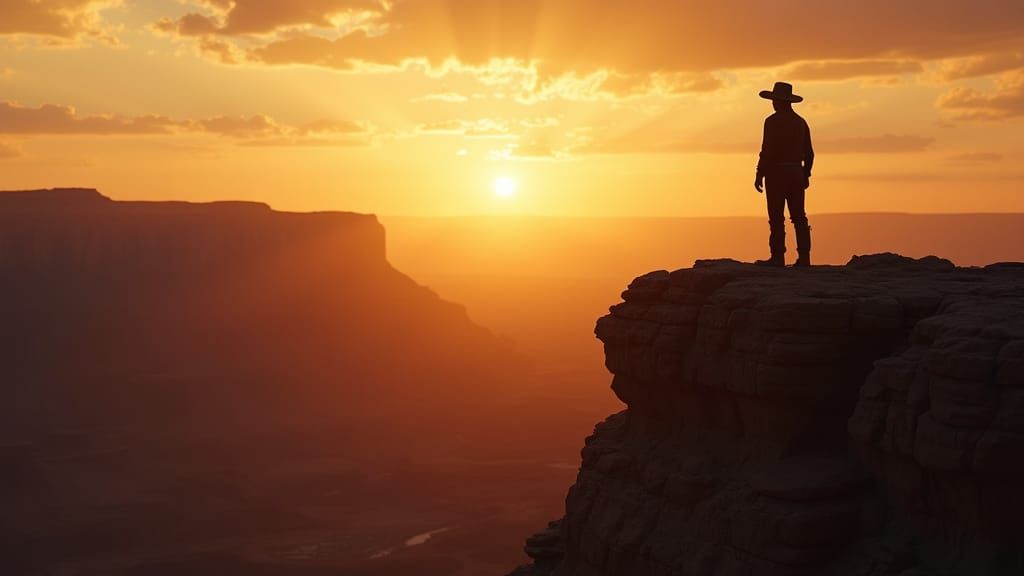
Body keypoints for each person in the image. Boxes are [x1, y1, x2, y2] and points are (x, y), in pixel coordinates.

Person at [754, 82, 814, 267]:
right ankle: (804, 258)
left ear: (777, 101)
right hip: (796, 172)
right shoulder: (801, 122)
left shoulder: (771, 122)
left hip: (776, 173)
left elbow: (767, 150)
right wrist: (805, 174)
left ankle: (777, 257)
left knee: (776, 217)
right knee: (799, 217)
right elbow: (810, 153)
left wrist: (759, 173)